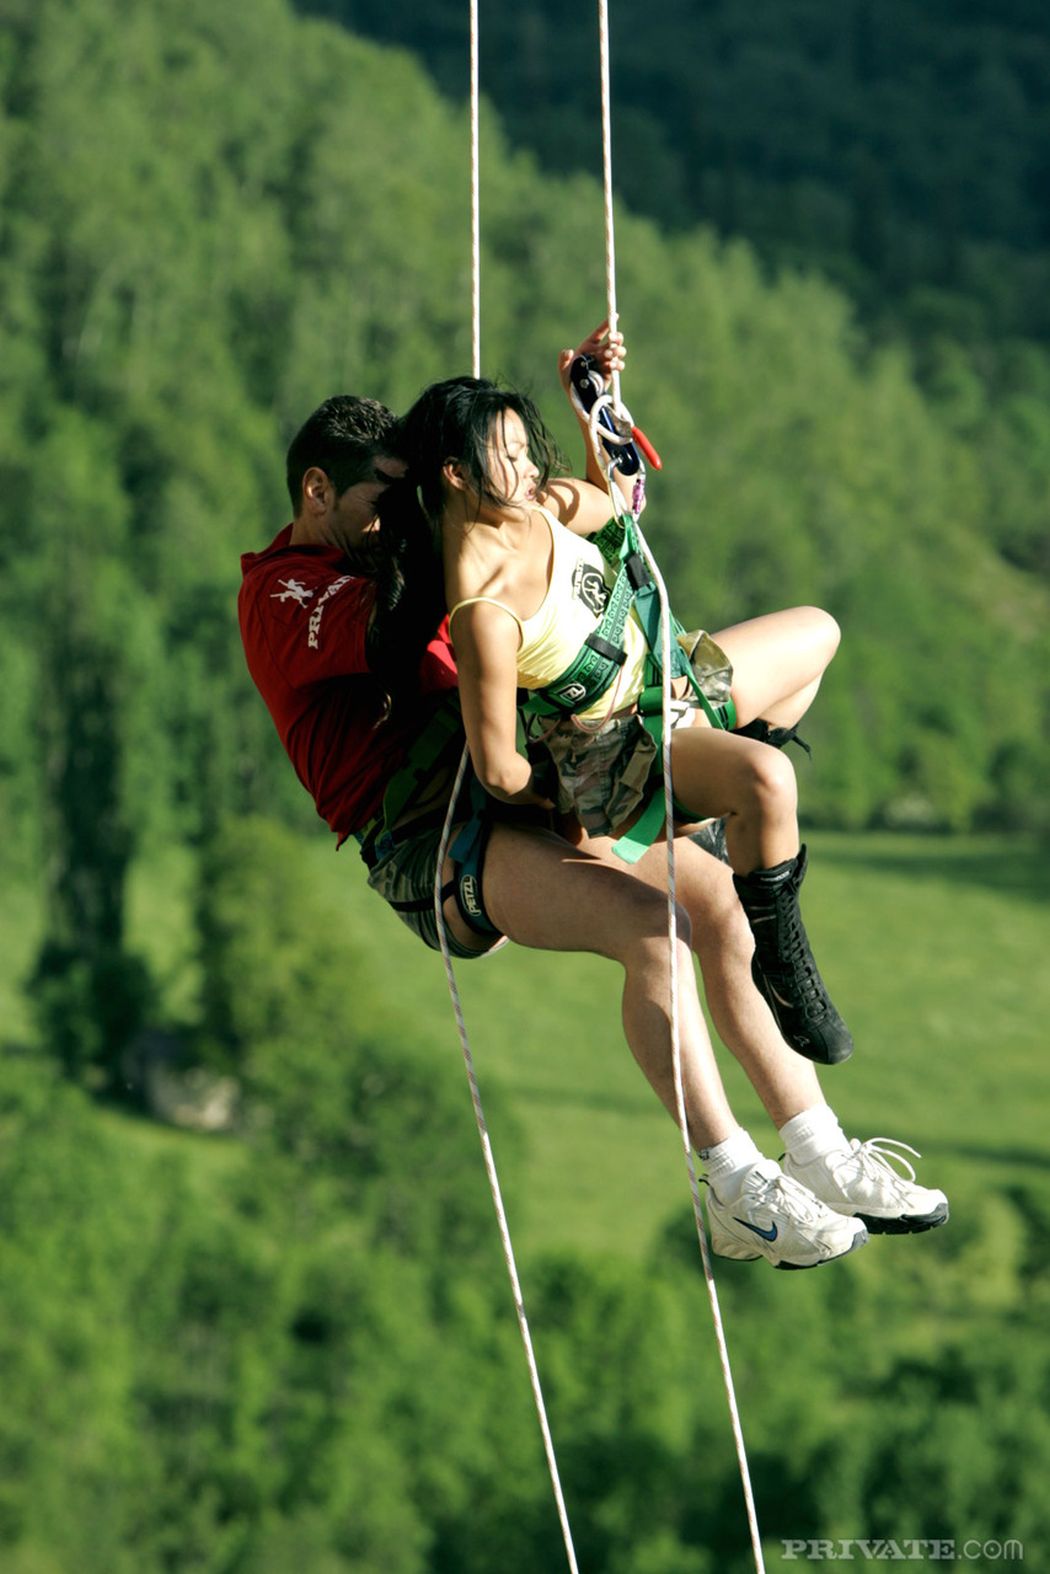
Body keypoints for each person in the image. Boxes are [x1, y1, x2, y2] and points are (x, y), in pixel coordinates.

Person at [237, 329, 948, 1271]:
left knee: (721, 908)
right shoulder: (288, 594)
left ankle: (819, 1148)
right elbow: (409, 624)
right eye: (381, 499)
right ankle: (735, 1185)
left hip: (544, 770)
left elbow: (575, 521)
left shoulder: (435, 554)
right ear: (318, 493)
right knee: (651, 928)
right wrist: (465, 509)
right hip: (438, 830)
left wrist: (574, 439)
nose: (392, 519)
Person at [386, 365, 855, 1068]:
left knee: (817, 634)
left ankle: (727, 813)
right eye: (507, 456)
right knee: (768, 778)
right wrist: (565, 793)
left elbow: (616, 501)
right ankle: (784, 970)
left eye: (525, 449)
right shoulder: (484, 610)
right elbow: (499, 767)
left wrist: (591, 405)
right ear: (455, 475)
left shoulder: (539, 508)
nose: (526, 466)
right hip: (627, 751)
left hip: (674, 682)